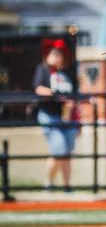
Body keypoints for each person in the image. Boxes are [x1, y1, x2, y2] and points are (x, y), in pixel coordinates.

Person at [33, 39, 78, 192]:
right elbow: (38, 89)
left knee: (66, 153)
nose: (56, 56)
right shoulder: (43, 69)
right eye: (53, 53)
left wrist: (71, 106)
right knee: (59, 149)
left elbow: (74, 94)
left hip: (67, 117)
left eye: (59, 54)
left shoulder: (68, 72)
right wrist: (56, 95)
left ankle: (67, 186)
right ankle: (48, 183)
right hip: (49, 114)